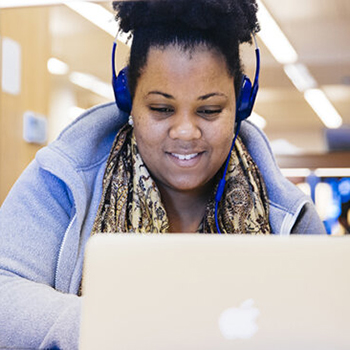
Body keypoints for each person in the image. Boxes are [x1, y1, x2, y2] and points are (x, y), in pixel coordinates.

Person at [0, 0, 326, 348]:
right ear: (127, 99)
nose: (185, 132)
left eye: (209, 110)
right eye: (161, 108)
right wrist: (112, 328)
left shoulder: (290, 215)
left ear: (241, 105)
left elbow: (328, 323)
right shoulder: (62, 178)